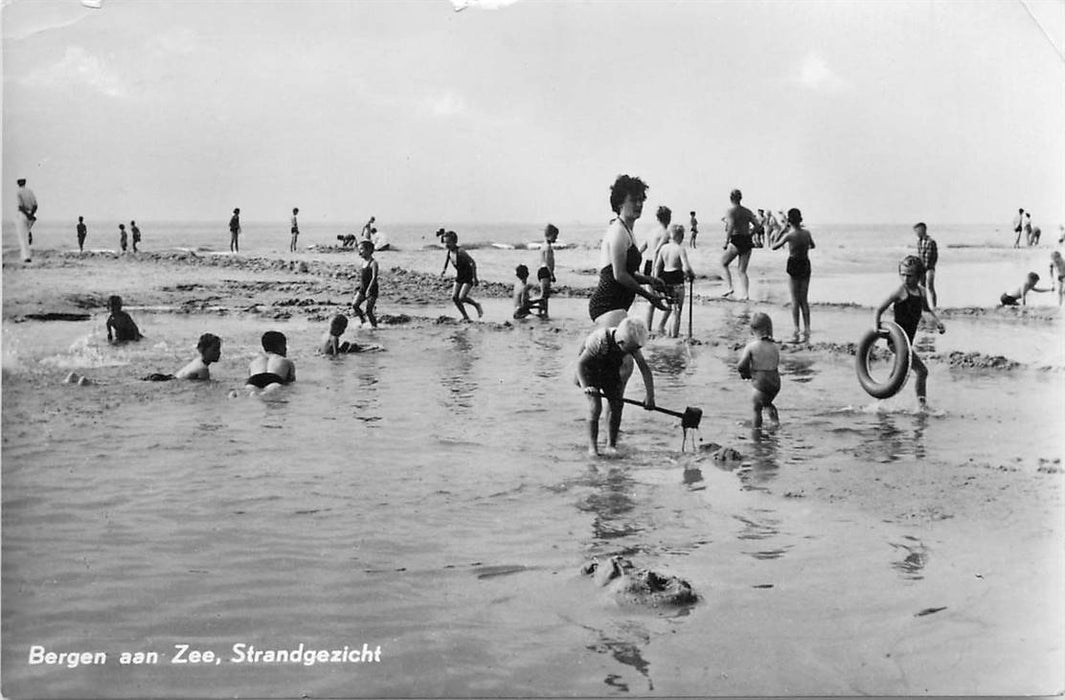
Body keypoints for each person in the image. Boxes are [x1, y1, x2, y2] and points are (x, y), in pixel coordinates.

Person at [574, 316, 655, 456]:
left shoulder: (632, 344)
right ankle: (592, 448)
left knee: (617, 404)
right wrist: (586, 387)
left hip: (610, 371)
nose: (631, 353)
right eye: (629, 350)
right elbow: (580, 364)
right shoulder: (600, 340)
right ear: (621, 342)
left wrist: (650, 396)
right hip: (589, 371)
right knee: (595, 406)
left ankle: (611, 445)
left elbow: (645, 369)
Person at [873, 256, 946, 407]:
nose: (906, 278)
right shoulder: (900, 291)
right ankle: (922, 407)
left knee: (896, 374)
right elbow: (879, 309)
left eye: (910, 275)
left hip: (908, 341)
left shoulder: (922, 292)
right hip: (897, 341)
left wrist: (938, 322)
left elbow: (926, 310)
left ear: (919, 276)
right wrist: (876, 328)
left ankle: (879, 404)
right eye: (903, 274)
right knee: (922, 372)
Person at [771, 208, 815, 340]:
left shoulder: (789, 235)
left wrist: (782, 231)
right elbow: (812, 246)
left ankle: (796, 327)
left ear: (789, 221)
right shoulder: (806, 233)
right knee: (804, 300)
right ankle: (807, 328)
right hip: (805, 263)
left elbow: (773, 246)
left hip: (794, 263)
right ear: (800, 219)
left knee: (795, 299)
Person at [737, 312, 780, 430]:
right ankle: (775, 422)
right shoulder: (774, 346)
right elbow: (774, 363)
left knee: (756, 407)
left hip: (761, 382)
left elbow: (741, 366)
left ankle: (756, 429)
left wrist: (745, 373)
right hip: (775, 382)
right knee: (767, 403)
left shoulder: (751, 346)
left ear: (751, 330)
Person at [652, 224, 695, 338]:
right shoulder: (680, 249)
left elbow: (657, 266)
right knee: (677, 310)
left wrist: (656, 281)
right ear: (680, 236)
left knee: (671, 306)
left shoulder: (663, 248)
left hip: (665, 279)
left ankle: (670, 332)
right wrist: (691, 274)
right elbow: (686, 267)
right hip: (676, 279)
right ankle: (673, 335)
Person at [720, 188, 764, 299]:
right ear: (740, 198)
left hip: (736, 239)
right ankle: (745, 295)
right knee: (742, 271)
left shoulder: (730, 211)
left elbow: (730, 226)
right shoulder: (747, 211)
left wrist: (726, 241)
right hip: (747, 240)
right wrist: (751, 234)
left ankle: (729, 287)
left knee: (723, 263)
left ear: (731, 199)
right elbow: (758, 226)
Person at [440, 230, 483, 321]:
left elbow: (472, 263)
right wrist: (444, 270)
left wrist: (475, 278)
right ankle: (465, 316)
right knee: (454, 297)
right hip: (459, 276)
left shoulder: (460, 251)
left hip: (468, 276)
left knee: (462, 297)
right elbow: (447, 260)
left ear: (454, 242)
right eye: (445, 242)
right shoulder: (449, 252)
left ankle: (476, 305)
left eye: (448, 242)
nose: (446, 245)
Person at [144, 333, 223, 381]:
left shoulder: (198, 361)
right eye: (215, 350)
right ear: (203, 350)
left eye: (219, 349)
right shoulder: (203, 369)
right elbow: (204, 386)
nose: (219, 353)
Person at [642, 206, 672, 332]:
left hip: (647, 264)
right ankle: (660, 326)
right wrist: (655, 271)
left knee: (651, 300)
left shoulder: (651, 232)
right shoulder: (665, 233)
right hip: (658, 267)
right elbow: (656, 251)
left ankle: (648, 329)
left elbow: (641, 249)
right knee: (671, 301)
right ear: (668, 218)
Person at [352, 239, 379, 328]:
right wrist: (358, 287)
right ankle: (363, 320)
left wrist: (369, 289)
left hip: (372, 289)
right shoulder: (363, 262)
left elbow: (374, 277)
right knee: (355, 305)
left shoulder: (373, 263)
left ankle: (374, 327)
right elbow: (363, 278)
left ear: (369, 250)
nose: (359, 251)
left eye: (361, 249)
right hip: (363, 288)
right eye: (359, 249)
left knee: (369, 311)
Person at [912, 222, 938, 308]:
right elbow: (920, 256)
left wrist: (926, 267)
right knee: (921, 288)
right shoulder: (919, 242)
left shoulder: (930, 242)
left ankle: (934, 307)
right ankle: (924, 306)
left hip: (929, 268)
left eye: (917, 231)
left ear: (923, 230)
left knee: (930, 287)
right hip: (922, 268)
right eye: (915, 232)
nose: (916, 233)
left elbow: (932, 257)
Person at [537, 224, 559, 318]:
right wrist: (552, 274)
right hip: (545, 271)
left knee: (544, 294)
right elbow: (548, 261)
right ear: (550, 235)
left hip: (542, 270)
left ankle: (542, 312)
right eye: (555, 236)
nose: (556, 238)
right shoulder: (548, 247)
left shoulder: (544, 245)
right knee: (545, 295)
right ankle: (543, 312)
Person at [15, 178, 38, 262]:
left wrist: (28, 215)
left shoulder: (19, 192)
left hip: (23, 214)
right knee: (27, 233)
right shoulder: (30, 191)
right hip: (31, 214)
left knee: (23, 237)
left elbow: (20, 206)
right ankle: (29, 233)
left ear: (18, 183)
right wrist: (31, 214)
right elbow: (35, 205)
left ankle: (26, 257)